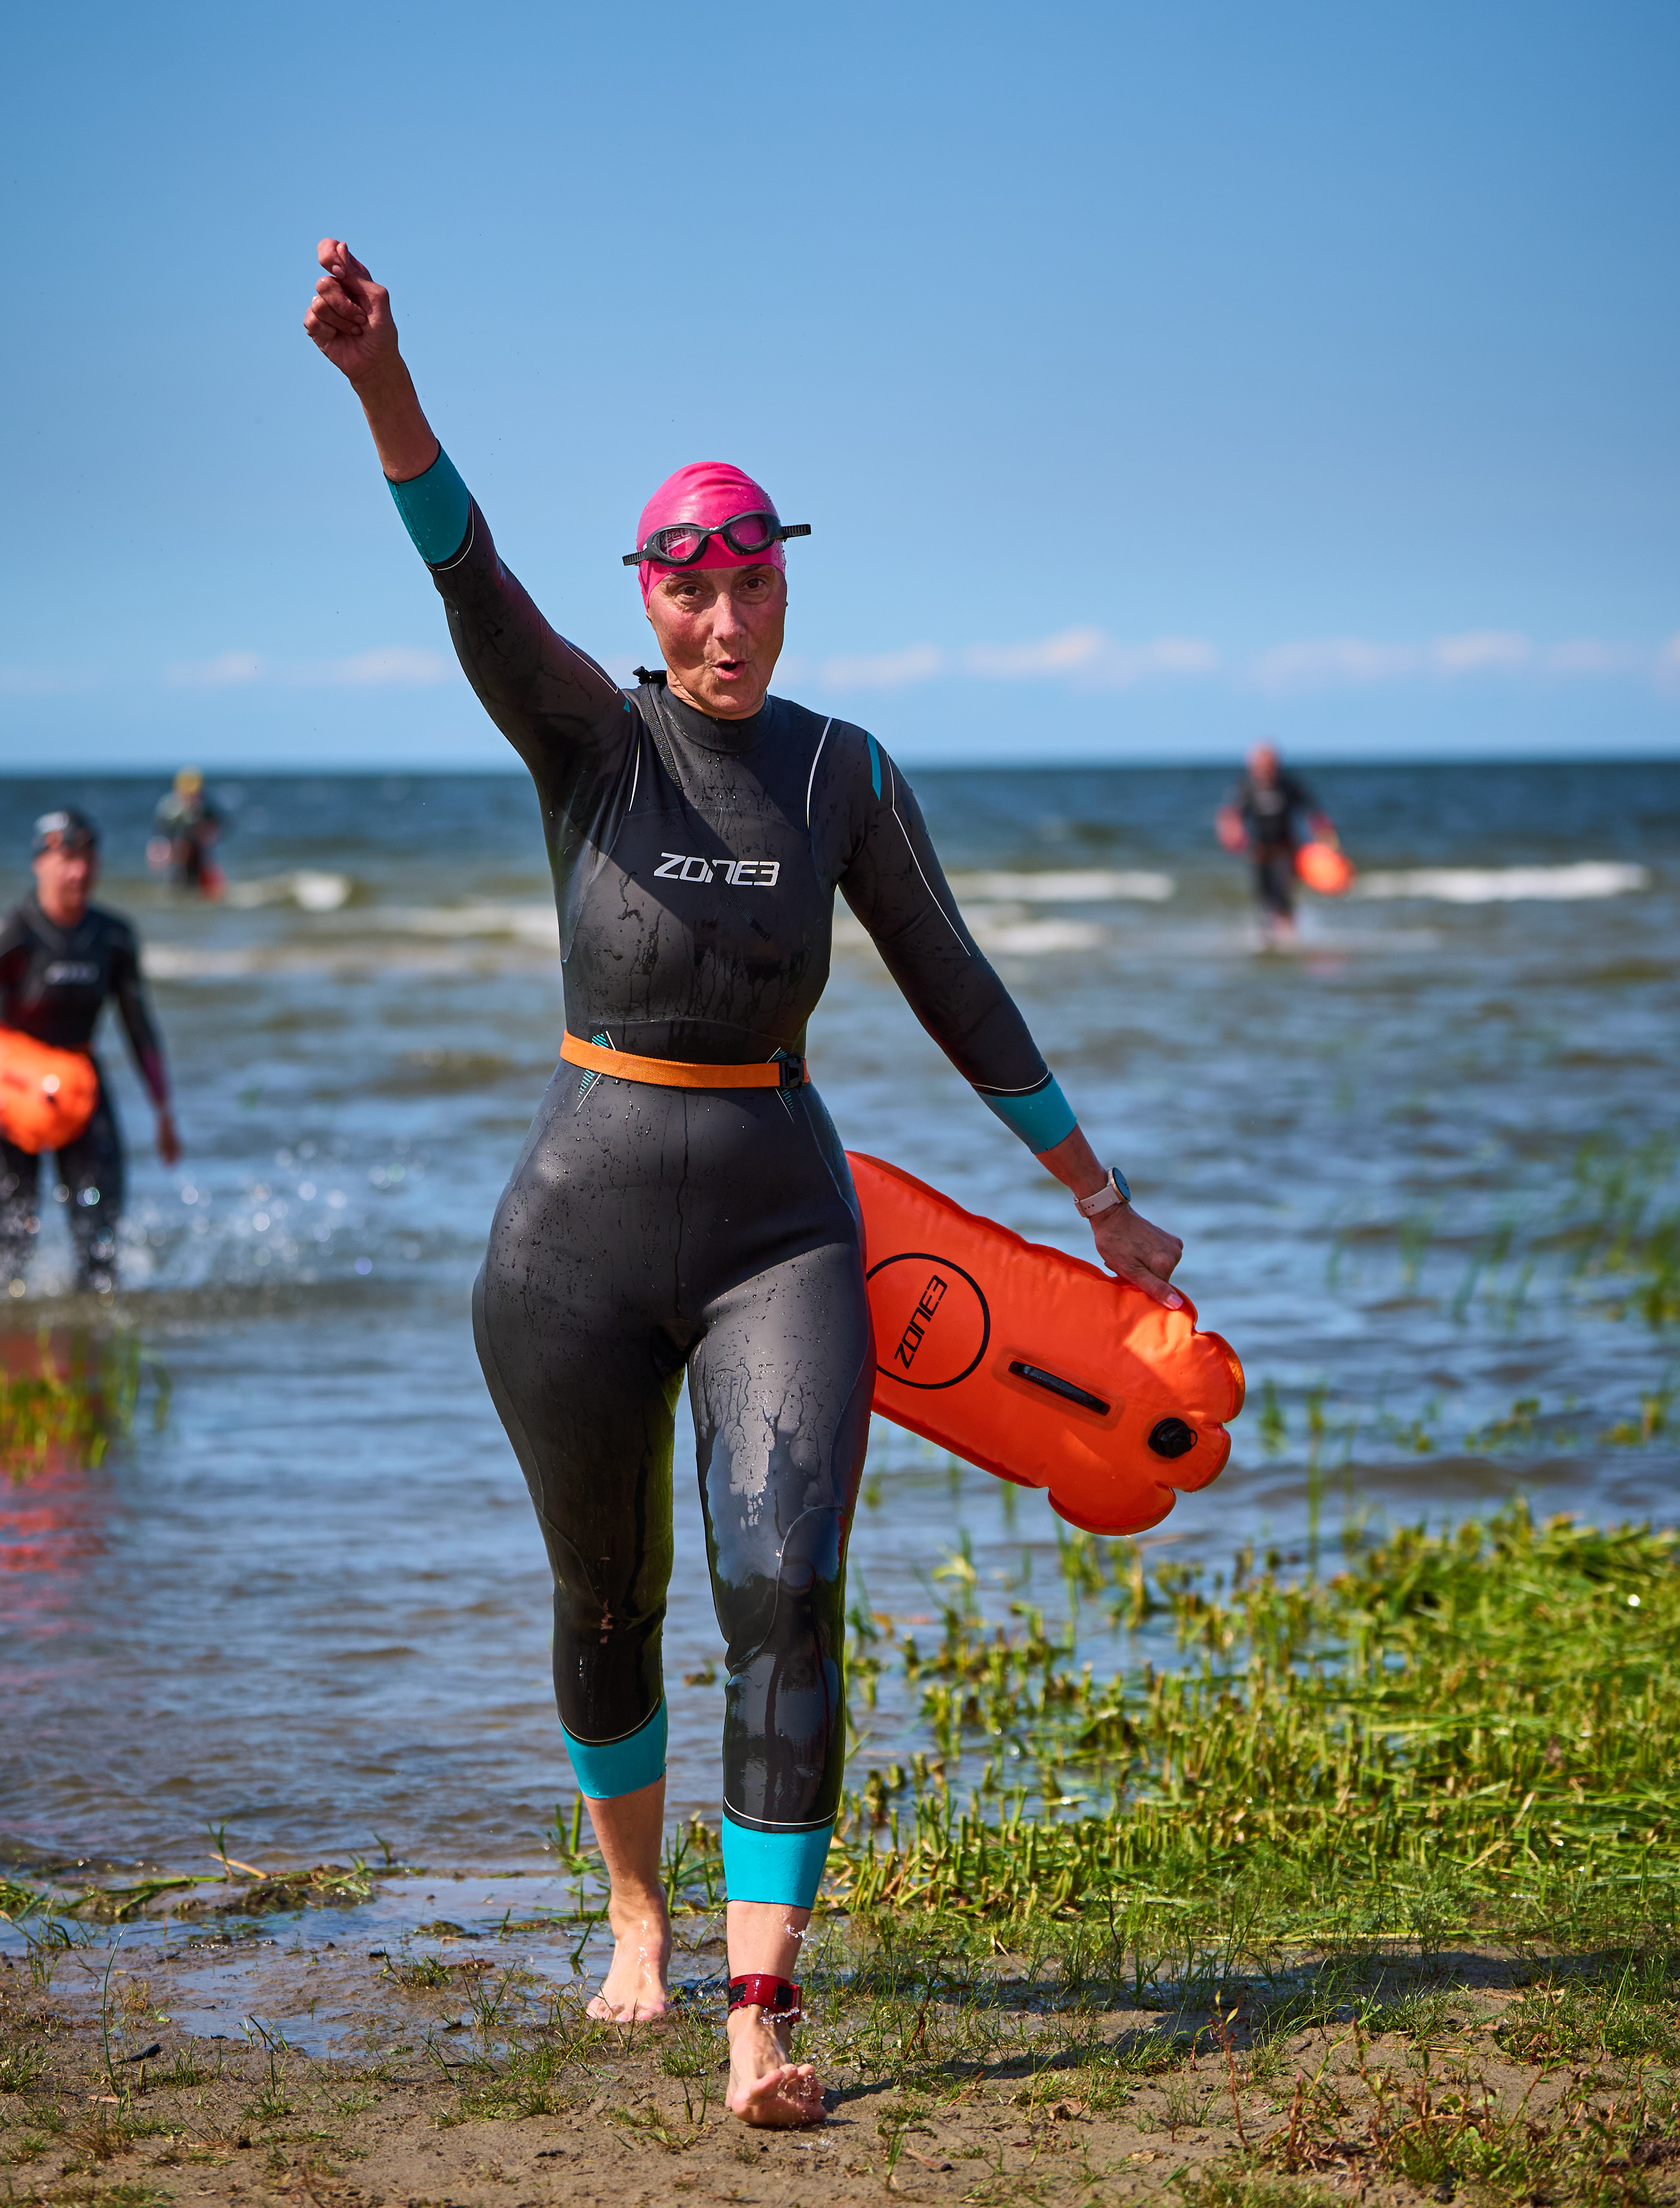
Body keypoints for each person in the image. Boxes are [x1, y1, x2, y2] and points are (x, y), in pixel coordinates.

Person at [305, 238, 1185, 2129]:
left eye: (755, 583)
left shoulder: (842, 773)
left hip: (786, 1221)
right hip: (574, 1242)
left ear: (788, 585)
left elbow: (956, 981)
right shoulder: (591, 740)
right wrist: (387, 385)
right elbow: (467, 579)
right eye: (693, 592)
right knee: (606, 1599)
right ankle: (635, 1913)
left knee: (786, 1584)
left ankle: (760, 2004)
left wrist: (1096, 1200)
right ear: (653, 601)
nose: (727, 622)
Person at [0, 809, 181, 1295]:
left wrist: (163, 1110)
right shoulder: (14, 932)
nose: (78, 872)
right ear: (40, 864)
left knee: (99, 1241)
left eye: (87, 859)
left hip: (81, 1088)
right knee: (6, 1249)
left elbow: (139, 1027)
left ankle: (92, 1349)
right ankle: (2, 1352)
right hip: (10, 1097)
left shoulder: (113, 937)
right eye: (66, 859)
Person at [1214, 741, 1336, 946]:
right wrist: (1231, 833)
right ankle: (1267, 941)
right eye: (1260, 762)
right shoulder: (1247, 788)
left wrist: (1326, 839)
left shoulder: (1288, 785)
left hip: (1286, 851)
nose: (1265, 767)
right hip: (1260, 853)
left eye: (1269, 762)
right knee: (1264, 898)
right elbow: (1232, 815)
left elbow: (1313, 811)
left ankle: (1289, 940)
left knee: (1284, 897)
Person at [150, 767, 225, 896]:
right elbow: (160, 830)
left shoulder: (206, 805)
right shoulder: (169, 806)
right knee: (176, 880)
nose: (191, 797)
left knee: (198, 882)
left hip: (197, 850)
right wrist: (160, 848)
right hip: (177, 850)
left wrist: (210, 834)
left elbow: (220, 825)